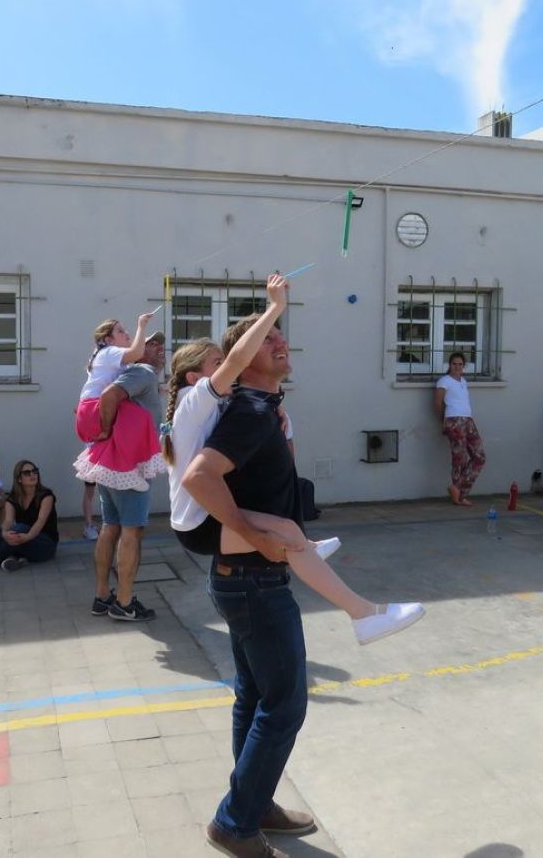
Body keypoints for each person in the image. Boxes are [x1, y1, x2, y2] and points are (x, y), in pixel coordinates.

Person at [164, 275, 423, 646]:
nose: (228, 370)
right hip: (198, 522)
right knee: (285, 533)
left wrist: (277, 414)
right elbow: (240, 359)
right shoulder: (195, 401)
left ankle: (317, 558)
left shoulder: (216, 405)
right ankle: (362, 613)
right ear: (194, 375)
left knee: (289, 530)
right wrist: (276, 306)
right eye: (218, 364)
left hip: (202, 517)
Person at [176, 316, 319, 857]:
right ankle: (234, 823)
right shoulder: (251, 410)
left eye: (283, 333)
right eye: (268, 338)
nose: (281, 341)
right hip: (254, 582)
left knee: (256, 696)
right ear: (247, 357)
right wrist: (253, 535)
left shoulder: (264, 412)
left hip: (244, 580)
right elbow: (198, 477)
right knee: (284, 705)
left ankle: (255, 804)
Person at [84, 331, 167, 622]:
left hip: (112, 463)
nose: (159, 348)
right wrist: (105, 428)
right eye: (152, 343)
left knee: (111, 527)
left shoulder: (140, 375)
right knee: (132, 530)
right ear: (135, 350)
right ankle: (124, 601)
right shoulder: (142, 372)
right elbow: (109, 395)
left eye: (162, 344)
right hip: (129, 466)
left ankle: (103, 595)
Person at [74, 312, 156, 539]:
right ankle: (133, 475)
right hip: (94, 409)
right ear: (108, 340)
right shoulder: (109, 352)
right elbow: (137, 353)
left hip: (88, 411)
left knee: (124, 433)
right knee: (140, 418)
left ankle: (126, 473)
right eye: (121, 331)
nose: (126, 333)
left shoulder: (105, 355)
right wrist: (142, 324)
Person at [0, 460, 59, 570]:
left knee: (20, 528)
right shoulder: (13, 498)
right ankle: (11, 557)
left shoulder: (46, 496)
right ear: (19, 478)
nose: (32, 475)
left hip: (44, 544)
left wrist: (28, 536)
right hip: (21, 540)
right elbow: (8, 521)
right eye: (27, 473)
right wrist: (5, 533)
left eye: (34, 471)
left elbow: (40, 520)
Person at [434, 352, 485, 506]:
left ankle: (458, 488)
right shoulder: (444, 381)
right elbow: (437, 403)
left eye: (460, 364)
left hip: (468, 419)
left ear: (464, 366)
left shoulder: (463, 381)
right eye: (454, 364)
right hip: (453, 420)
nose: (457, 367)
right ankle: (459, 496)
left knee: (479, 456)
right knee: (459, 458)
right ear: (449, 365)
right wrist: (443, 420)